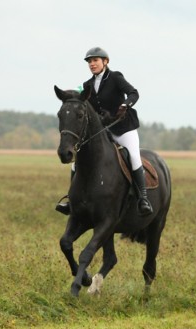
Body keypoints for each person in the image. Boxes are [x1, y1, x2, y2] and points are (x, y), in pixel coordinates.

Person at [55, 47, 152, 216]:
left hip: (123, 128)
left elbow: (133, 93)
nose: (92, 64)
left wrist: (125, 105)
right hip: (103, 131)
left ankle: (142, 199)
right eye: (89, 62)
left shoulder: (115, 77)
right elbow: (75, 96)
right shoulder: (87, 85)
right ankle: (72, 201)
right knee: (76, 162)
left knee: (134, 156)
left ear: (105, 61)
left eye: (95, 60)